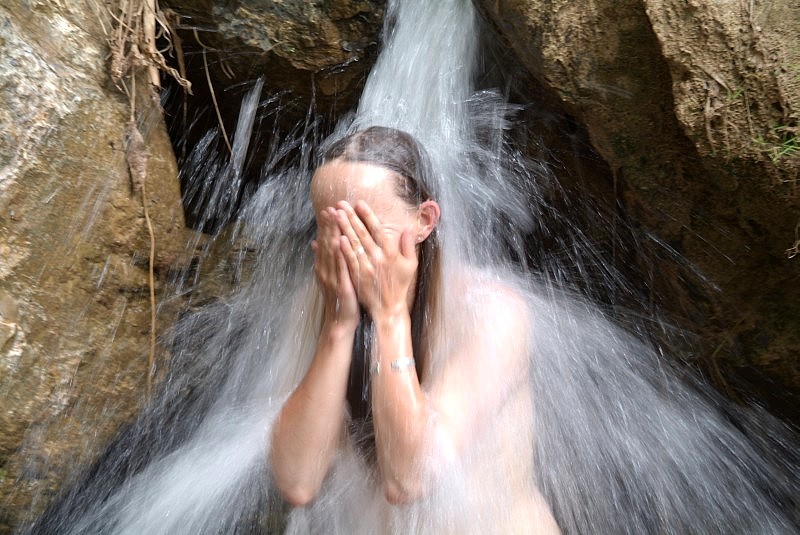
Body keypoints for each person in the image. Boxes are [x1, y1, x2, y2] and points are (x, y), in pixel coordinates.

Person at [269, 126, 560, 533]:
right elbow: (297, 481)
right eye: (331, 230)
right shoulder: (315, 304)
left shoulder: (493, 313)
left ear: (424, 220)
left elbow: (411, 479)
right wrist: (337, 328)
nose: (348, 251)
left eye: (365, 232)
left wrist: (389, 318)